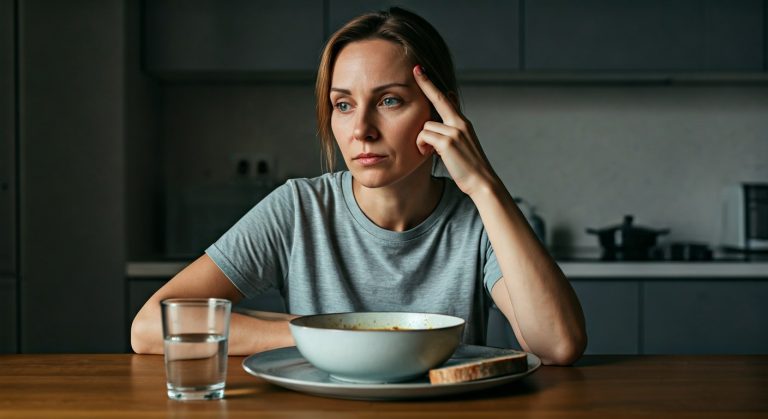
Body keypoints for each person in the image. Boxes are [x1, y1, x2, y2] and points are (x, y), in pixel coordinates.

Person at [131, 7, 587, 365]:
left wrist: (485, 186)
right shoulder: (298, 208)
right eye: (343, 105)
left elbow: (557, 345)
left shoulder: (478, 219)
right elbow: (149, 326)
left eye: (389, 100)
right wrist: (323, 333)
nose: (361, 130)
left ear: (439, 111)